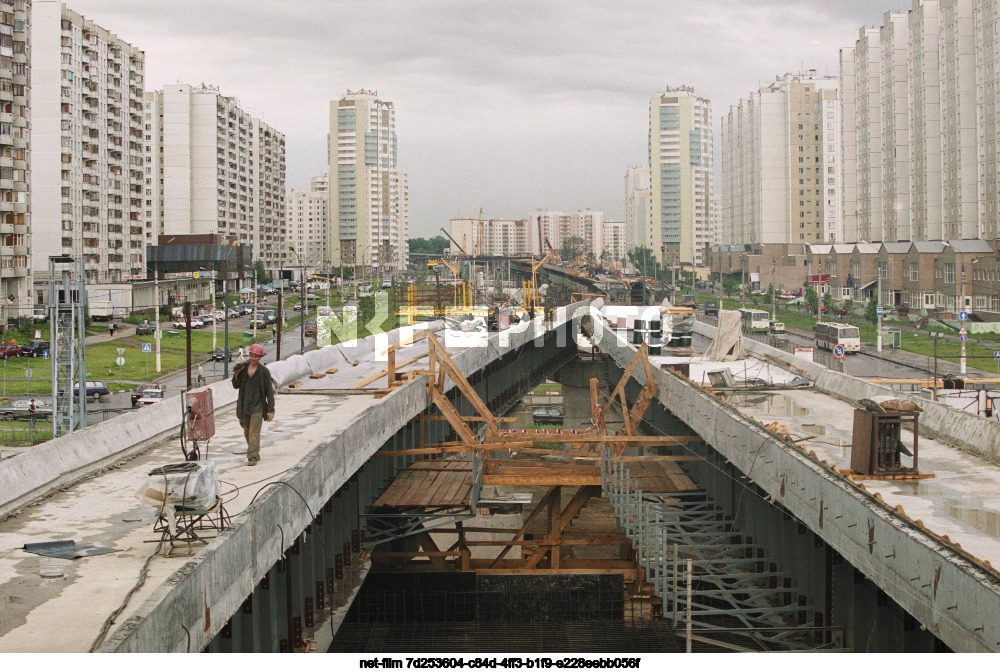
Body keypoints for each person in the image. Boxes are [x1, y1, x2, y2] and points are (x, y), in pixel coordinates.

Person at [231, 343, 274, 466]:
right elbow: (236, 385)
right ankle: (255, 452)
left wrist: (271, 409)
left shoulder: (264, 372)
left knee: (254, 433)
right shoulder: (243, 369)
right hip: (244, 406)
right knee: (247, 432)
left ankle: (252, 457)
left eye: (256, 356)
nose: (253, 358)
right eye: (252, 356)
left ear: (260, 357)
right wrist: (236, 374)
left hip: (258, 407)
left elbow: (269, 391)